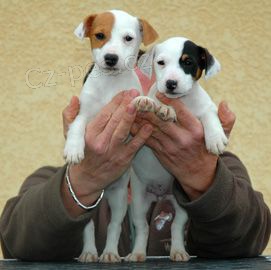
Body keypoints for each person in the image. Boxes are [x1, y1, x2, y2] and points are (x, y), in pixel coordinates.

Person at [0, 89, 270, 261]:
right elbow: (15, 242)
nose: (140, 116)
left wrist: (201, 176)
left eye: (152, 102)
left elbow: (251, 239)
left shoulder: (222, 170)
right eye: (121, 104)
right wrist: (84, 180)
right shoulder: (53, 181)